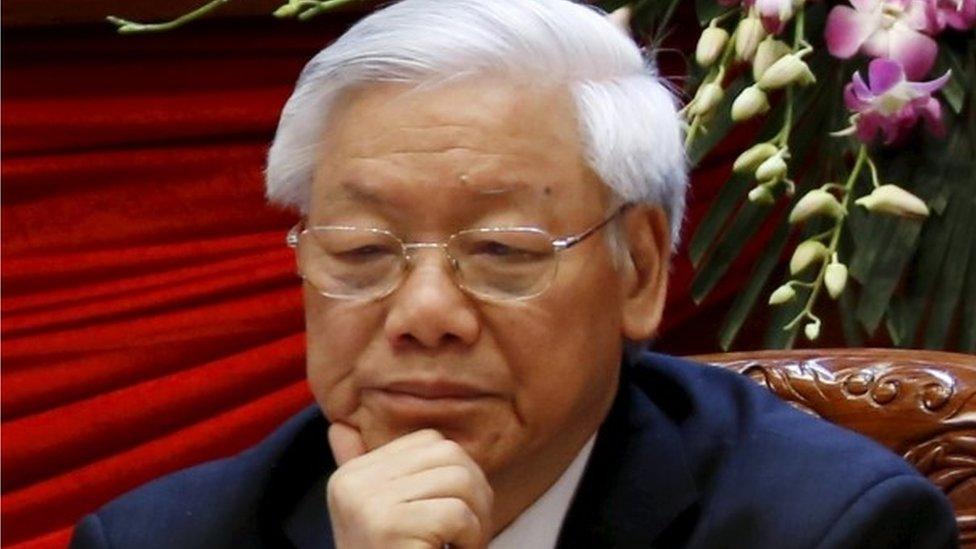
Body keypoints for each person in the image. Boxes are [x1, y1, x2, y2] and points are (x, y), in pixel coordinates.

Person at [70, 0, 959, 547]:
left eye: (501, 252)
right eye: (363, 253)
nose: (424, 313)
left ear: (640, 271)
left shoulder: (828, 528)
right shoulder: (161, 535)